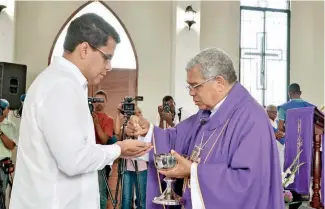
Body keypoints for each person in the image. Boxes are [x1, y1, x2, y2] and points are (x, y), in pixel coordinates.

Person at [9, 13, 152, 209]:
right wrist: (119, 148)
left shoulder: (59, 81)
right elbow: (74, 160)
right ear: (85, 49)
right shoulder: (62, 86)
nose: (109, 66)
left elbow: (74, 150)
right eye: (107, 57)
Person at [126, 48, 285, 209]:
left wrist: (194, 172)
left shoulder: (252, 118)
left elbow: (247, 184)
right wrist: (147, 131)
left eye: (195, 86)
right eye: (189, 87)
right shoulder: (206, 114)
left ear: (219, 83)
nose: (191, 93)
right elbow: (175, 138)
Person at [115, 107, 147, 209]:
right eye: (135, 114)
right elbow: (117, 134)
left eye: (139, 113)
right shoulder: (126, 128)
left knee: (141, 198)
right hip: (127, 167)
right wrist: (119, 115)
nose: (137, 116)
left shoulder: (145, 128)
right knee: (126, 197)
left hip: (141, 167)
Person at [92, 90, 115, 209]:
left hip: (100, 159)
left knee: (101, 191)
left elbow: (104, 140)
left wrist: (96, 123)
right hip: (85, 157)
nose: (98, 103)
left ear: (106, 102)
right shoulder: (85, 115)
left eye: (101, 100)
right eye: (96, 100)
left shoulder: (108, 119)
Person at [0, 99, 17, 205]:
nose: (9, 110)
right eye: (7, 108)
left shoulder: (10, 126)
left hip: (2, 166)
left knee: (1, 194)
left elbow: (11, 146)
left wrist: (0, 132)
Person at [266, 104, 285, 172]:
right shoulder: (265, 122)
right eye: (273, 112)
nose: (275, 114)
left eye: (276, 112)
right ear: (267, 112)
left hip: (280, 148)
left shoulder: (278, 122)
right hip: (269, 148)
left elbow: (284, 131)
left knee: (280, 165)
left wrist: (282, 134)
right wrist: (274, 135)